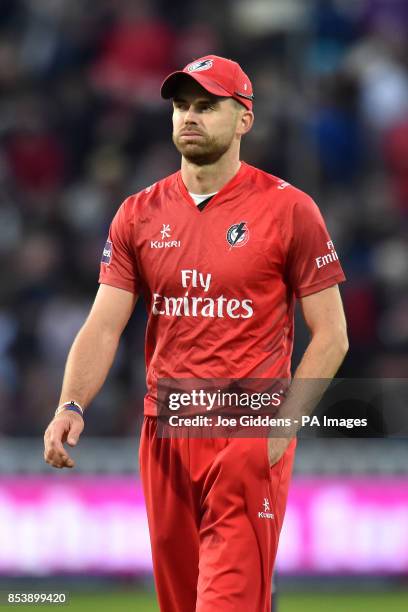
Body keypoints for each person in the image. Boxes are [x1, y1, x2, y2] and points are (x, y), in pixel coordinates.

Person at [44, 55, 348, 611]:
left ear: (244, 119)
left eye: (207, 106)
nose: (190, 116)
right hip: (164, 435)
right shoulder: (138, 213)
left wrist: (279, 433)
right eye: (183, 105)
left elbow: (332, 334)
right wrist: (71, 403)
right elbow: (104, 323)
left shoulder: (290, 210)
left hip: (246, 432)